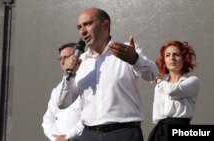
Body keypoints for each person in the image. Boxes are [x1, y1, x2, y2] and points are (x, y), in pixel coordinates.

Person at [58, 7, 158, 141]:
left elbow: (152, 74)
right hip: (89, 135)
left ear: (105, 25)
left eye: (88, 24)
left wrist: (135, 59)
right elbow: (63, 104)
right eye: (79, 27)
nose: (82, 31)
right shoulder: (81, 62)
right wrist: (68, 76)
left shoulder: (125, 50)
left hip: (123, 134)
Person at [148, 40, 201, 141]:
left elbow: (174, 91)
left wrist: (159, 80)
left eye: (176, 54)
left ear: (184, 58)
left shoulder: (192, 81)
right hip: (160, 131)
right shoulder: (160, 86)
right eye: (167, 55)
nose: (171, 58)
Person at [42, 42, 83, 141]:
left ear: (77, 58)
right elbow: (48, 119)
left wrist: (68, 137)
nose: (63, 61)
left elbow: (89, 117)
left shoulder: (86, 83)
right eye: (61, 58)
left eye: (67, 57)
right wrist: (56, 138)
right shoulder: (57, 90)